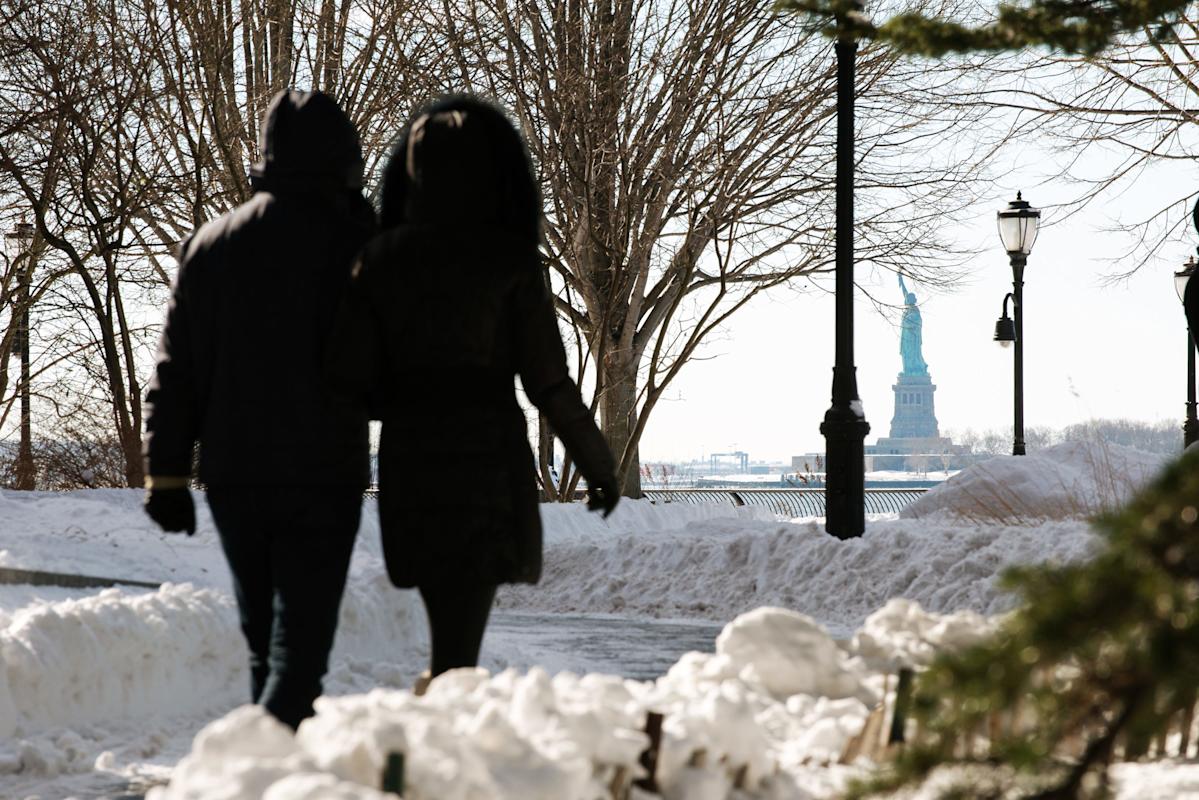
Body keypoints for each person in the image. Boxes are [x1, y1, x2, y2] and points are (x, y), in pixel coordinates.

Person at [328, 95, 620, 680]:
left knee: (446, 628)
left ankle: (443, 714)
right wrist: (596, 461)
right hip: (489, 463)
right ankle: (450, 719)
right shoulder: (509, 258)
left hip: (413, 459)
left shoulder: (378, 260)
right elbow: (549, 381)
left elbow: (349, 381)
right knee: (465, 631)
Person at [142, 90, 376, 729]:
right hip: (322, 472)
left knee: (263, 642)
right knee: (298, 654)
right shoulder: (360, 242)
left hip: (235, 473)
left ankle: (265, 779)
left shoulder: (211, 245)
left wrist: (166, 474)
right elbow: (393, 357)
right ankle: (251, 767)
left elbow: (175, 371)